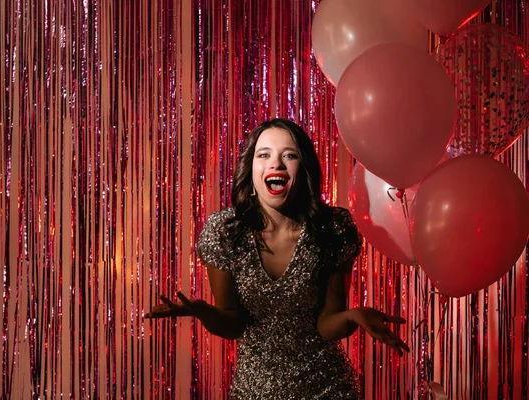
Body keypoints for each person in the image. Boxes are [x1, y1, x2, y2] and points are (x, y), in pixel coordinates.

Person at [145, 118, 409, 399]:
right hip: (254, 391)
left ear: (303, 170)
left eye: (289, 155)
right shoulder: (224, 232)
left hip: (327, 390)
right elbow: (233, 324)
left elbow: (327, 324)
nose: (276, 164)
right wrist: (204, 312)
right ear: (252, 170)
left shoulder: (333, 228)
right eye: (264, 154)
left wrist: (354, 315)